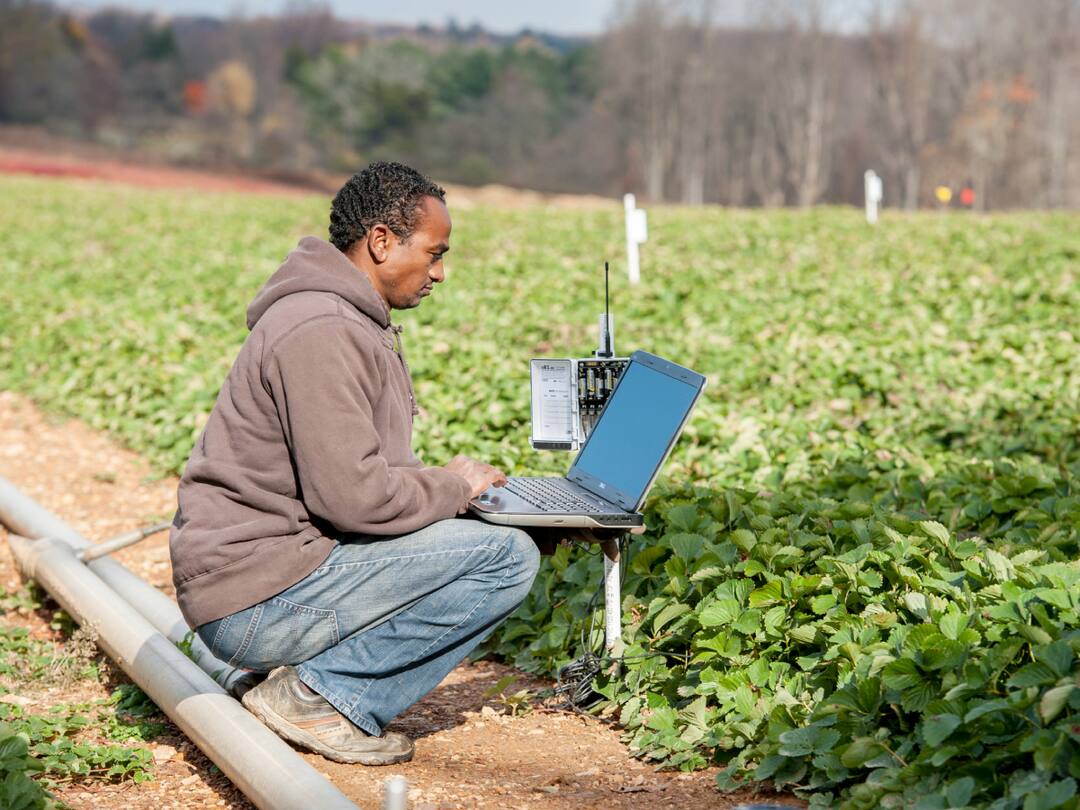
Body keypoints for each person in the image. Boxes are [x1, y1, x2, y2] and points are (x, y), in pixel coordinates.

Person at [169, 161, 542, 766]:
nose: (440, 273)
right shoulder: (321, 327)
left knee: (487, 535)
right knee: (505, 558)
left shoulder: (344, 317)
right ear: (381, 241)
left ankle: (308, 682)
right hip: (253, 602)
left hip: (268, 576)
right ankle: (321, 696)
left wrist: (456, 498)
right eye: (435, 252)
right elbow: (354, 499)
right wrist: (451, 489)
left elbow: (364, 486)